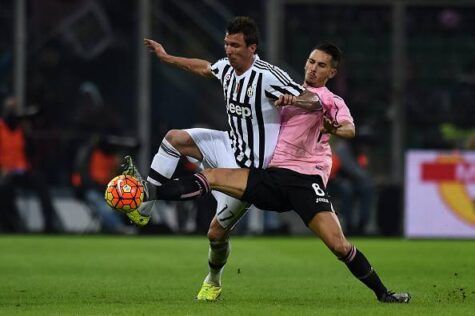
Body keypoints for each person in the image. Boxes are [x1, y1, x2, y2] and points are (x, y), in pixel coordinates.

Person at [122, 44, 411, 303]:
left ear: (332, 72)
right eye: (311, 61)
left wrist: (331, 127)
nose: (313, 68)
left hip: (304, 182)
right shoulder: (283, 88)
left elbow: (349, 128)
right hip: (267, 176)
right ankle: (148, 194)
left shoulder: (329, 100)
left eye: (321, 65)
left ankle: (383, 293)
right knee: (211, 187)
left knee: (339, 245)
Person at [123, 16, 319, 301]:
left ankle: (213, 280)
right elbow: (204, 68)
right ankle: (144, 208)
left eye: (236, 45)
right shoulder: (227, 67)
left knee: (215, 235)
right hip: (228, 145)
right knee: (174, 138)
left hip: (248, 171)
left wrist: (294, 100)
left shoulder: (268, 76)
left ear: (252, 48)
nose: (229, 50)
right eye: (227, 43)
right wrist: (166, 57)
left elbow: (313, 100)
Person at [0, 96, 63, 233]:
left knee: (40, 182)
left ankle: (49, 225)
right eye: (10, 109)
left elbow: (32, 151)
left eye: (15, 109)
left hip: (22, 170)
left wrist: (28, 132)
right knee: (5, 188)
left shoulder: (21, 129)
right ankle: (11, 225)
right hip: (6, 173)